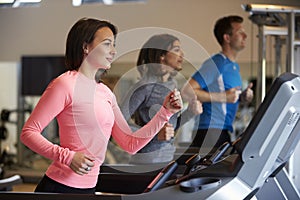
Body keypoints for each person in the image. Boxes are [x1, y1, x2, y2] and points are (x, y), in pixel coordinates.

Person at [20, 18, 183, 194]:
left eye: (114, 45)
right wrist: (68, 157)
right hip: (59, 187)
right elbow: (28, 133)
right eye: (107, 44)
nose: (113, 51)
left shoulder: (105, 92)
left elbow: (130, 143)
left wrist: (165, 112)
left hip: (90, 188)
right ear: (86, 47)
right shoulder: (64, 84)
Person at [120, 34, 202, 164]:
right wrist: (155, 135)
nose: (182, 54)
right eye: (176, 49)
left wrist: (190, 112)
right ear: (161, 56)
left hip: (167, 158)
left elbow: (171, 127)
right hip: (145, 162)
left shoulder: (172, 84)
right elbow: (118, 125)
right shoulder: (144, 87)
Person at [181, 15, 253, 154]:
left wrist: (242, 97)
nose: (245, 35)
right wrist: (224, 97)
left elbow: (227, 96)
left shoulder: (234, 66)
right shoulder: (216, 63)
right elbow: (187, 91)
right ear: (227, 38)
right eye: (240, 32)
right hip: (210, 130)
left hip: (223, 129)